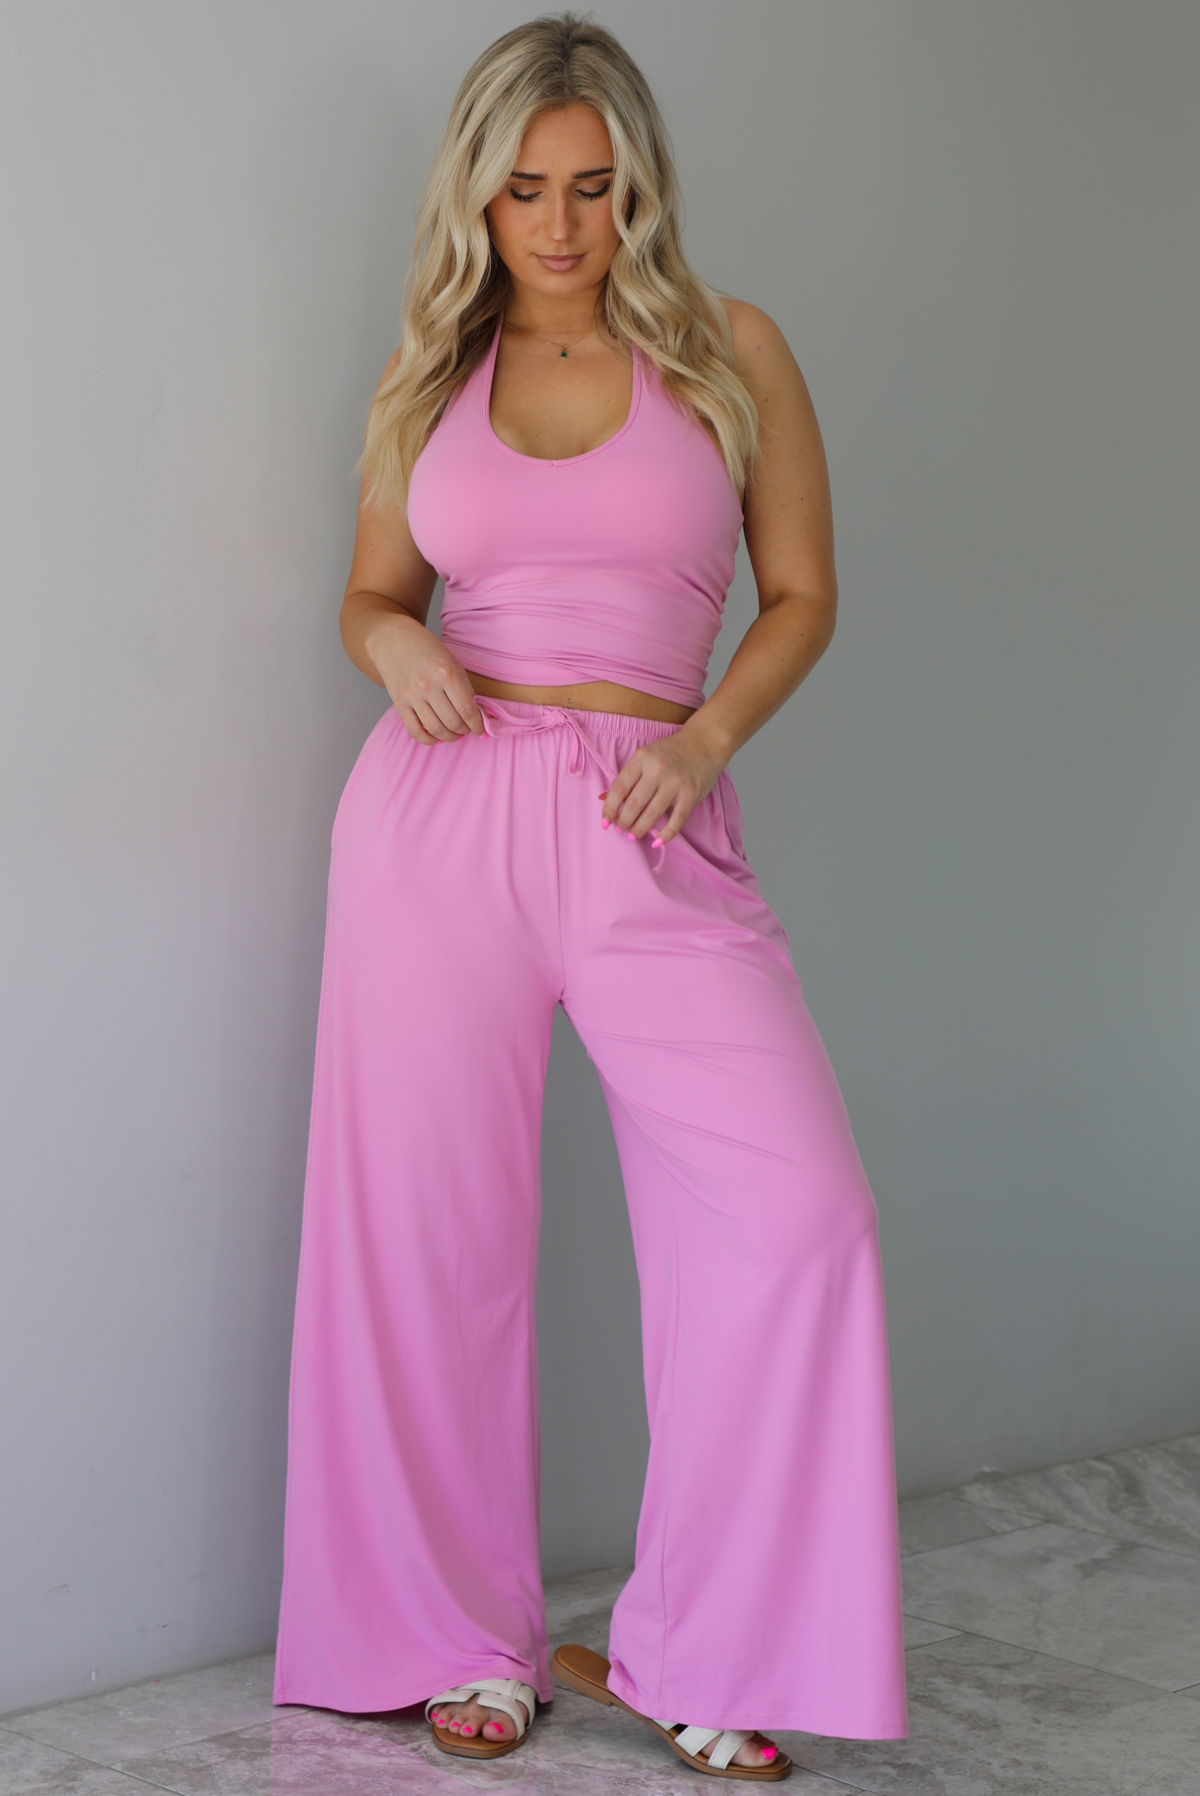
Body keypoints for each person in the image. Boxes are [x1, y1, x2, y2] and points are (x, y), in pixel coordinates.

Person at [272, 12, 908, 1781]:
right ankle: (451, 1637)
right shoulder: (433, 374)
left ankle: (693, 1646)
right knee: (425, 1244)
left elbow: (801, 595)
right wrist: (392, 638)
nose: (561, 225)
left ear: (643, 187)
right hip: (435, 823)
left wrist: (705, 741)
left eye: (596, 188)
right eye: (526, 190)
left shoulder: (733, 352)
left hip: (649, 815)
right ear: (476, 198)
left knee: (798, 1217)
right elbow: (369, 593)